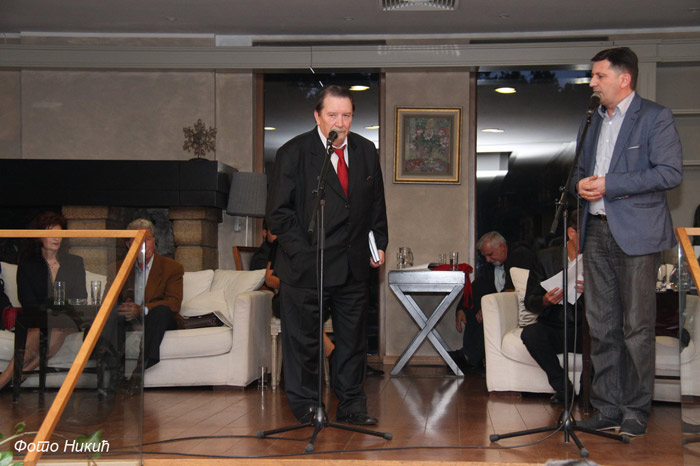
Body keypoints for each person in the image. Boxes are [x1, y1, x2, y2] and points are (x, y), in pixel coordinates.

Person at [572, 47, 683, 436]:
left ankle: (636, 409)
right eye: (592, 75)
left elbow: (670, 173)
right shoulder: (592, 120)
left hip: (638, 234)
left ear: (624, 79)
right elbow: (581, 171)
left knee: (636, 327)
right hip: (595, 230)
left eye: (599, 76)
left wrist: (610, 184)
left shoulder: (655, 117)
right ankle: (607, 407)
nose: (592, 82)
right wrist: (580, 185)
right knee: (601, 326)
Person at [267, 84, 388, 426]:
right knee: (304, 343)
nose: (340, 122)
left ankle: (352, 405)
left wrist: (379, 242)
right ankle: (307, 407)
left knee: (352, 342)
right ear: (317, 116)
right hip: (306, 266)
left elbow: (375, 204)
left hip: (352, 265)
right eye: (333, 114)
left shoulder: (366, 150)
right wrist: (302, 254)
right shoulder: (293, 152)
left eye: (346, 115)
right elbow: (278, 214)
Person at [0, 211, 87, 390]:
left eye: (60, 234)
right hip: (40, 319)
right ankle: (17, 375)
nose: (56, 238)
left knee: (58, 327)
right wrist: (50, 312)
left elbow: (81, 296)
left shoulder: (75, 262)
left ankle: (10, 376)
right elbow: (27, 300)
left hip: (69, 319)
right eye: (51, 233)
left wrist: (60, 310)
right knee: (49, 329)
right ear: (38, 236)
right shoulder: (28, 264)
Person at [450, 231, 535, 373]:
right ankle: (469, 356)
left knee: (490, 315)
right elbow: (477, 286)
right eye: (485, 256)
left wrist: (489, 308)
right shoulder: (493, 265)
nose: (488, 260)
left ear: (502, 247)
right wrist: (461, 307)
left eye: (490, 255)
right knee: (471, 309)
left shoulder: (520, 255)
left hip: (523, 309)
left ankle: (468, 356)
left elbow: (512, 290)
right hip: (503, 307)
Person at [521, 211, 583, 405]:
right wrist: (545, 300)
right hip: (555, 325)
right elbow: (530, 301)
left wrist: (592, 291)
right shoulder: (545, 258)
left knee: (607, 336)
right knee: (531, 334)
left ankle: (589, 392)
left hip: (586, 328)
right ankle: (563, 388)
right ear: (572, 233)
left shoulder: (598, 260)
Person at [116, 218, 184, 370]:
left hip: (157, 317)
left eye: (147, 240)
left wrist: (141, 309)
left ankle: (143, 364)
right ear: (128, 244)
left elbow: (174, 303)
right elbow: (109, 300)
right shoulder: (117, 267)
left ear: (154, 241)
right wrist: (125, 309)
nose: (143, 245)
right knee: (109, 314)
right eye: (137, 240)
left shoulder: (172, 267)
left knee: (162, 310)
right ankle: (111, 365)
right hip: (128, 318)